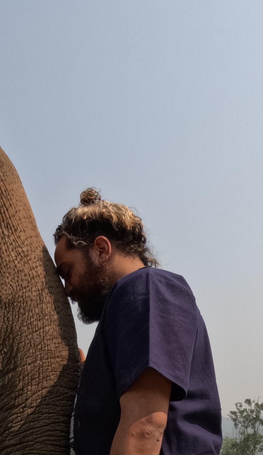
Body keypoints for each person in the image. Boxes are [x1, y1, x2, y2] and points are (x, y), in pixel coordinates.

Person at [54, 188, 221, 455]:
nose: (67, 289)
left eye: (67, 271)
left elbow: (146, 428)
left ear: (100, 249)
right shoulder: (132, 301)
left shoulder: (146, 289)